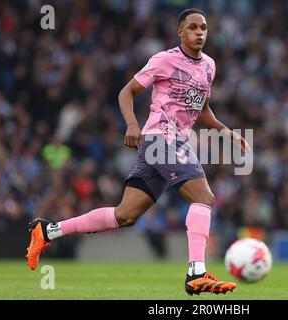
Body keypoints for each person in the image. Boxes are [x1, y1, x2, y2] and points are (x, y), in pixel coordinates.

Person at [26, 8, 250, 296]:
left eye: (203, 28)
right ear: (180, 32)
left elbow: (201, 107)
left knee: (125, 215)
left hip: (167, 144)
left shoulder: (209, 66)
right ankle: (196, 272)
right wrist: (132, 124)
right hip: (160, 138)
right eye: (192, 27)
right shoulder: (165, 60)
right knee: (203, 197)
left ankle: (47, 231)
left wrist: (225, 131)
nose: (199, 32)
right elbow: (126, 91)